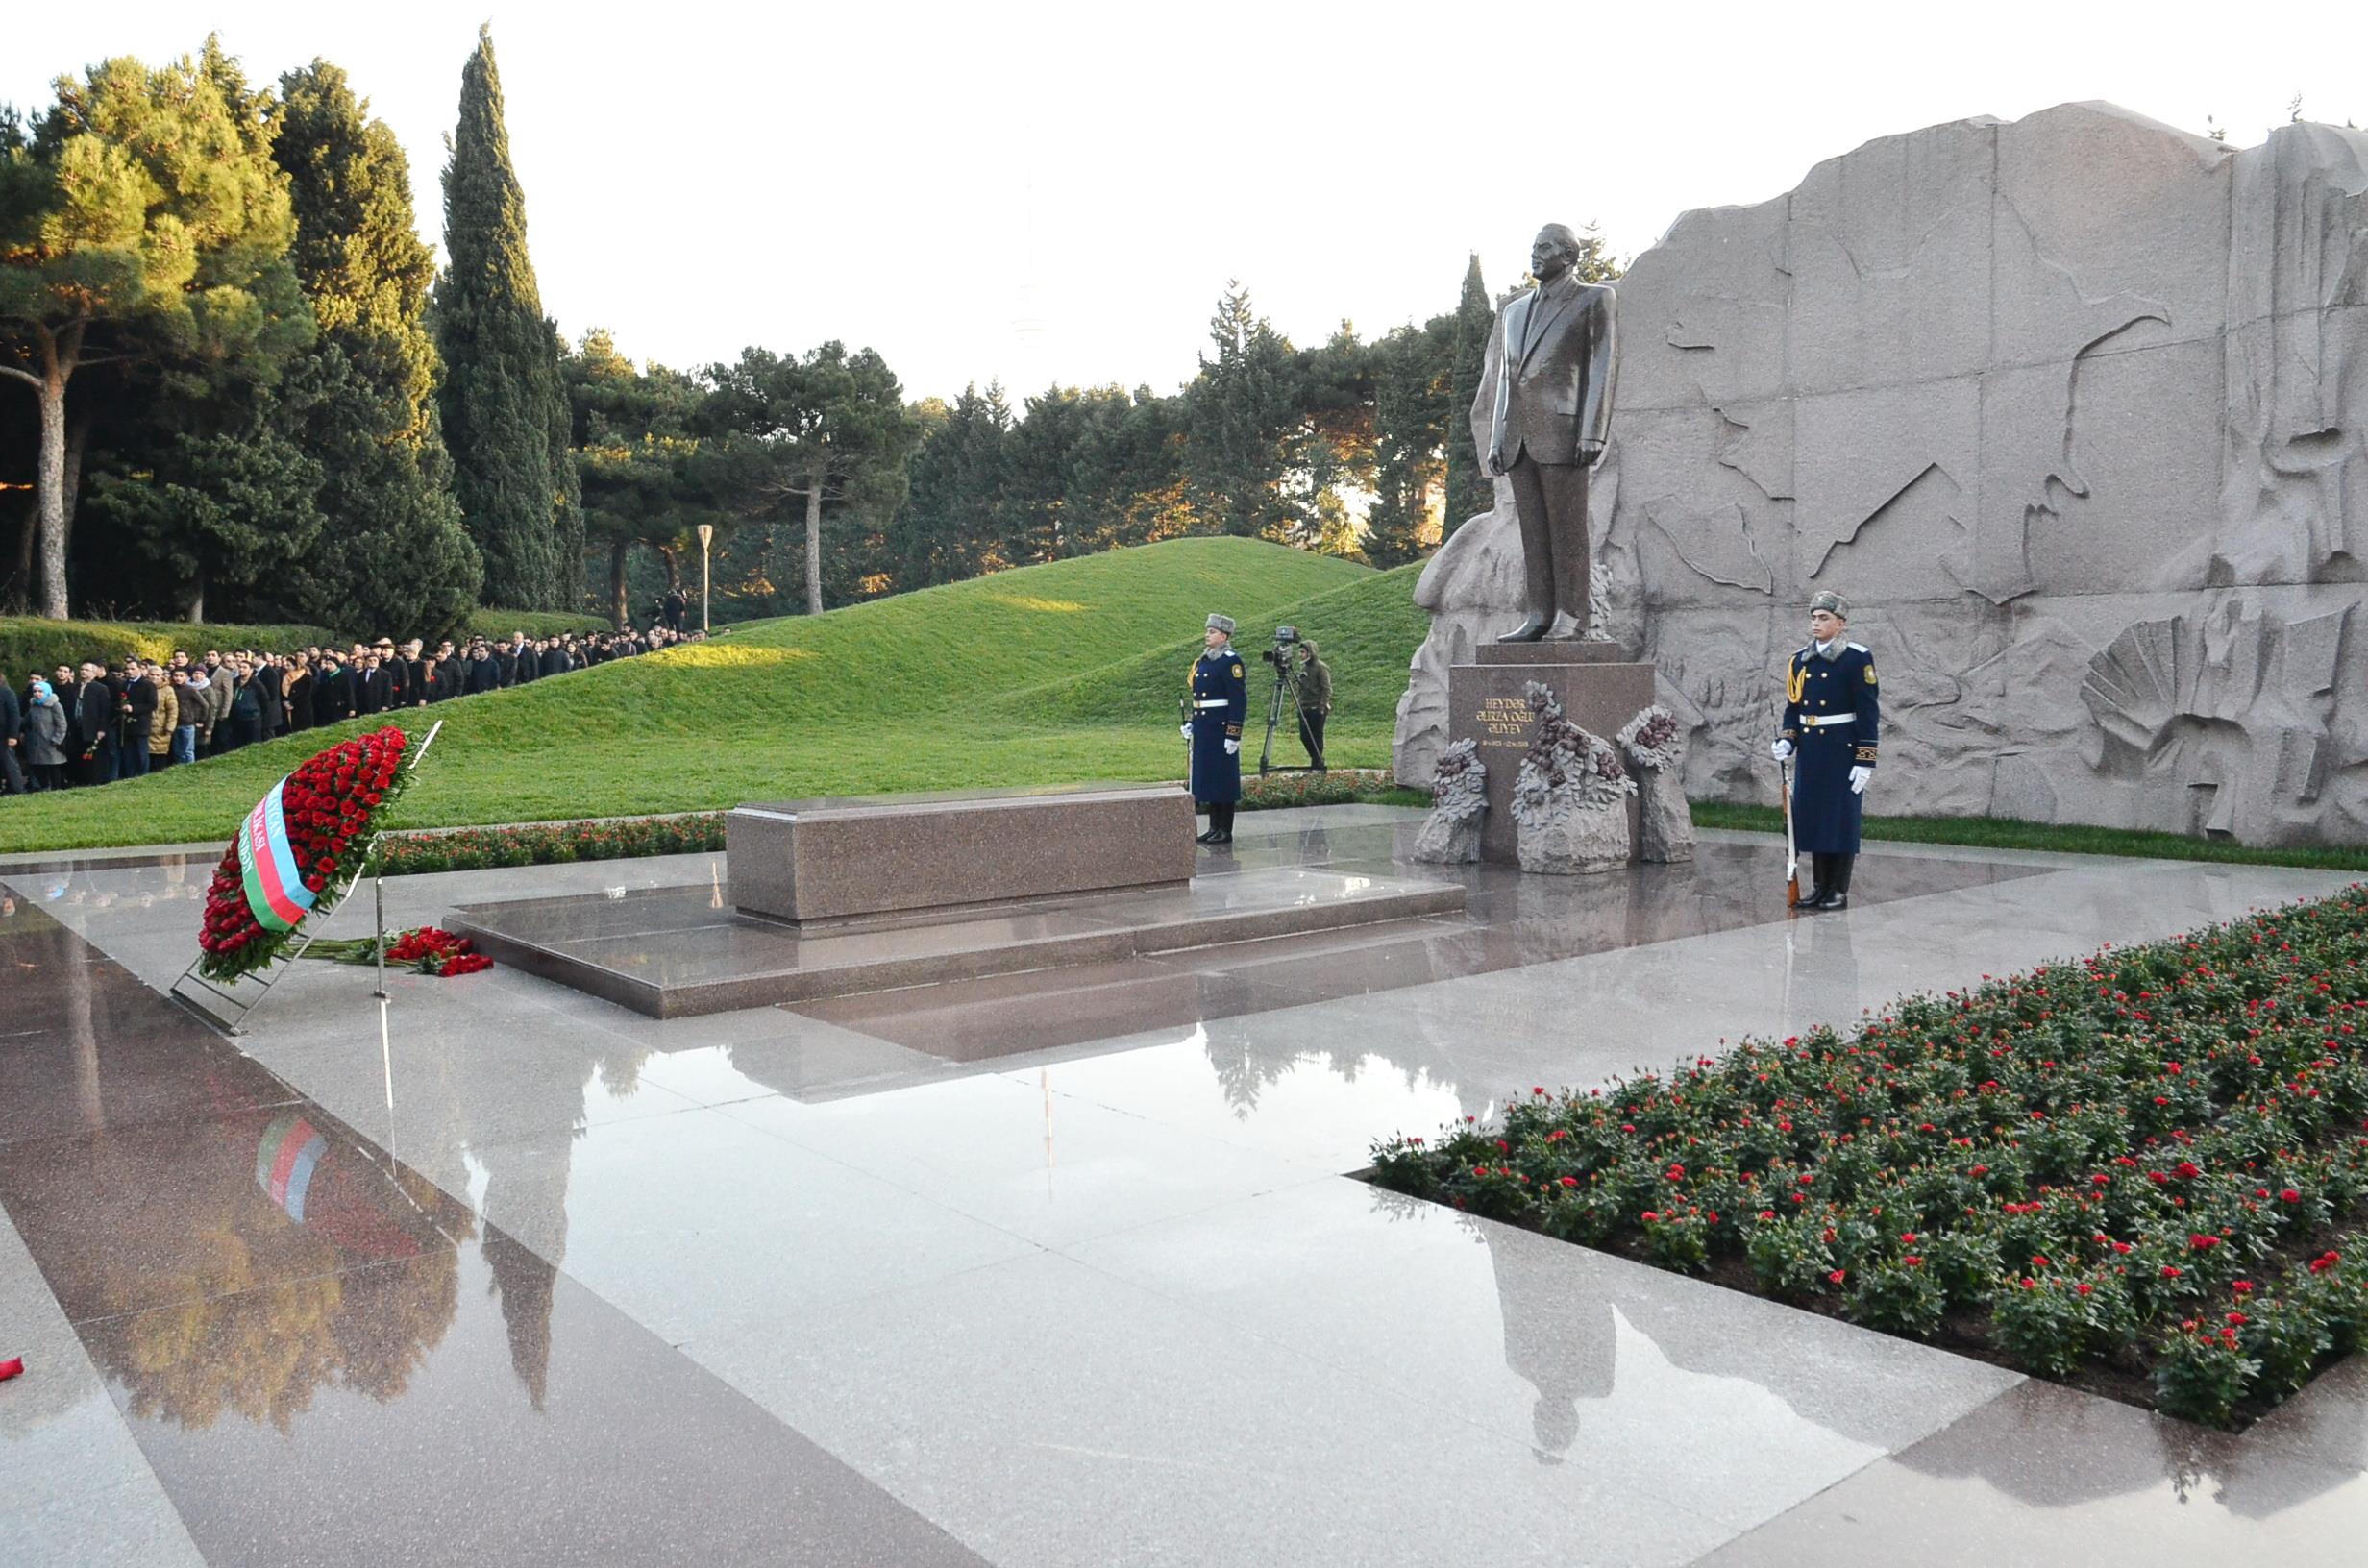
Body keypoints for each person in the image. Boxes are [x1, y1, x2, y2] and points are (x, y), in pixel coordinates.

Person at [1481, 222, 1619, 643]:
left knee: (1568, 531)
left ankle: (1572, 616)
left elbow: (1603, 366)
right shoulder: (1515, 311)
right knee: (1533, 533)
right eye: (1533, 248)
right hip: (1518, 436)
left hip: (1564, 433)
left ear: (1568, 255)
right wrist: (1497, 436)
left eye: (1544, 248)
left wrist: (1593, 430)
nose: (1535, 255)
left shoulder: (1595, 299)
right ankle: (1538, 614)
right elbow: (1507, 378)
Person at [1770, 590, 1879, 912]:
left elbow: (1868, 712)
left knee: (1840, 819)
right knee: (1815, 819)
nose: (1816, 624)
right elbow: (1794, 708)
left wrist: (1865, 758)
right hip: (1812, 752)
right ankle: (1819, 887)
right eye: (1814, 618)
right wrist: (1788, 740)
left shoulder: (1856, 658)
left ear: (1841, 624)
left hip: (1841, 751)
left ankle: (1838, 890)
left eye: (1824, 618)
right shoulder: (1801, 660)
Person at [1182, 613, 1248, 845]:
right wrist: (1192, 722)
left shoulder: (1231, 662)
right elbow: (1199, 698)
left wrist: (1233, 733)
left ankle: (1225, 829)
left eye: (1211, 632)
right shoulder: (1204, 661)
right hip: (1205, 728)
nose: (1207, 635)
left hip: (1221, 729)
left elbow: (1237, 700)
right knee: (1208, 778)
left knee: (1223, 779)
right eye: (1207, 631)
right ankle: (1213, 827)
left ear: (1223, 635)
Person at [73, 661, 115, 786]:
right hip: (77, 725)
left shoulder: (100, 688)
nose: (83, 672)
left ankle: (95, 780)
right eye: (82, 669)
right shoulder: (75, 687)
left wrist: (102, 729)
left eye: (87, 670)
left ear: (94, 672)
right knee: (78, 754)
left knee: (94, 756)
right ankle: (81, 780)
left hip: (93, 727)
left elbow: (105, 710)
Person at [23, 677, 68, 791]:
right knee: (38, 766)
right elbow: (27, 720)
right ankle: (44, 786)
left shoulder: (54, 705)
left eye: (40, 691)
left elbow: (62, 724)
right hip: (36, 742)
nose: (37, 694)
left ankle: (56, 788)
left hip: (51, 741)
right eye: (35, 691)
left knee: (53, 766)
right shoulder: (33, 705)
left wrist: (57, 739)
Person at [1294, 637, 1332, 770]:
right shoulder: (1303, 667)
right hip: (1304, 706)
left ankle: (1317, 764)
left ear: (1311, 652)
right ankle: (1317, 760)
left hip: (1316, 707)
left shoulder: (1321, 667)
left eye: (1303, 652)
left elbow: (1326, 688)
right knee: (1304, 736)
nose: (1300, 655)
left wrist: (1322, 706)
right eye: (1300, 652)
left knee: (1316, 736)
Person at [0, 673, 23, 795]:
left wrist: (13, 735)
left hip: (4, 735)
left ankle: (17, 789)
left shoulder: (6, 692)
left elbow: (14, 715)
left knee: (9, 764)